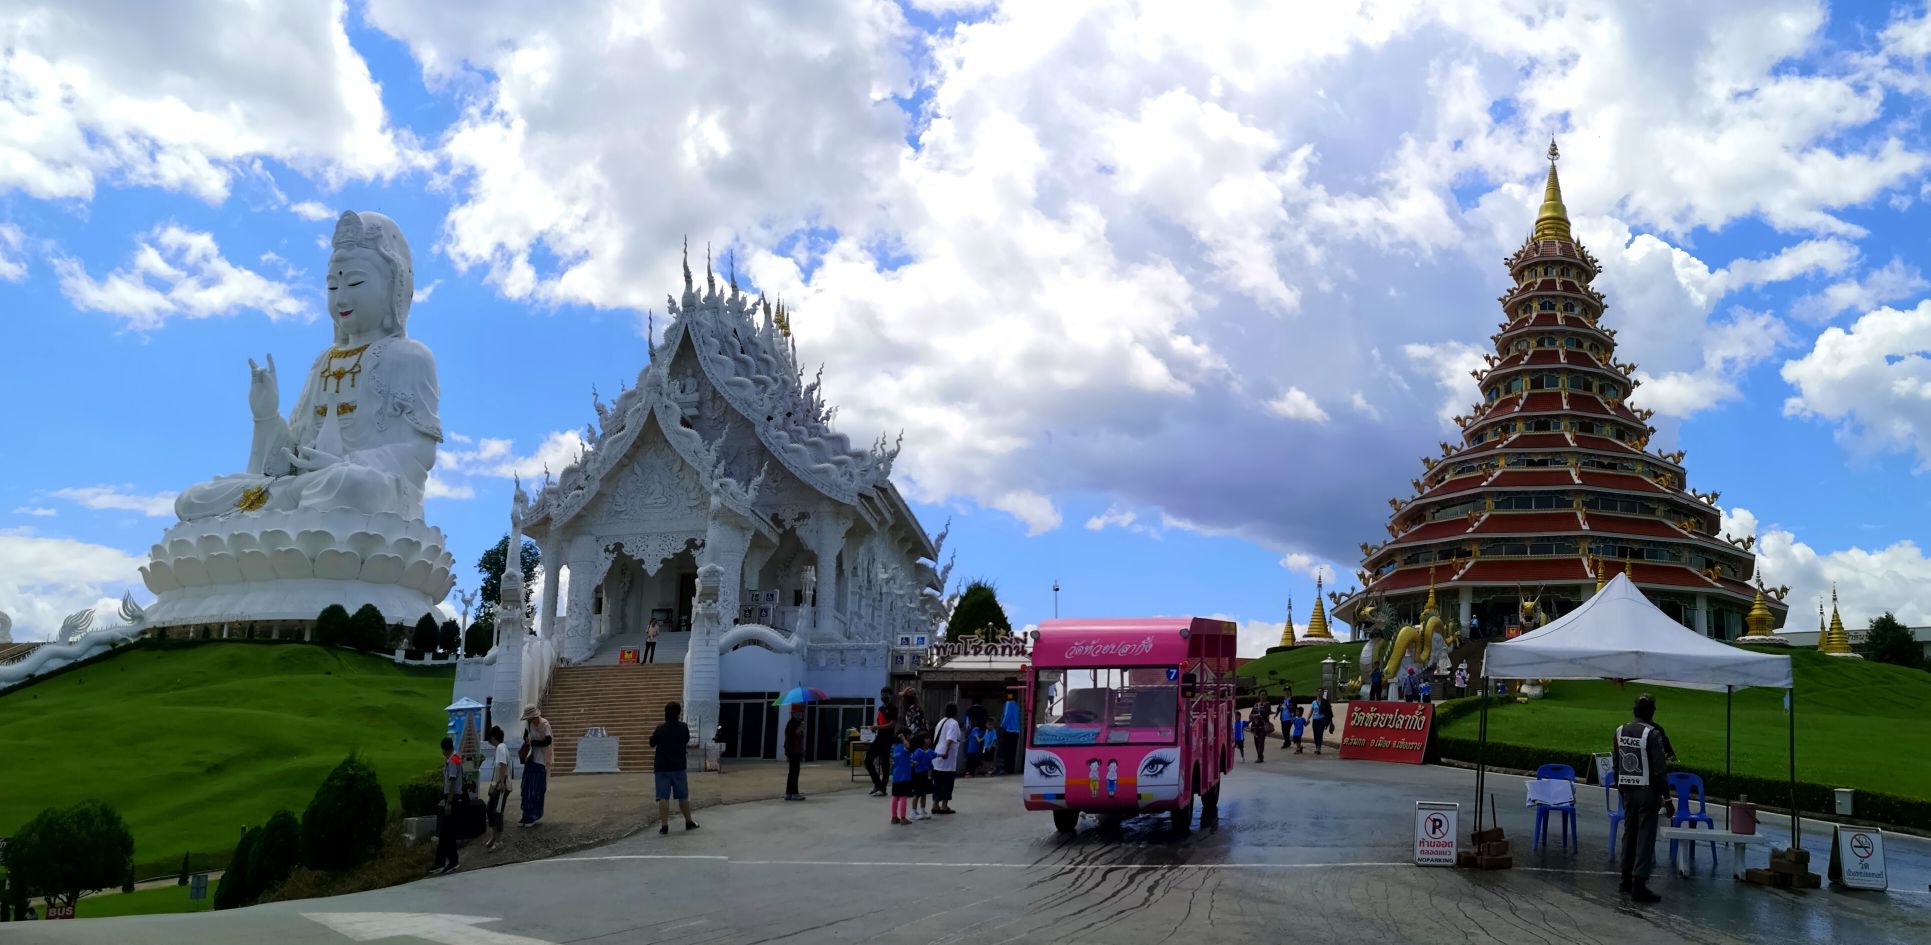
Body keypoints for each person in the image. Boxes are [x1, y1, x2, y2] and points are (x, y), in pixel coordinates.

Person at [1613, 694, 1671, 904]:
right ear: (1651, 713)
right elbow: (1659, 770)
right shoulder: (1652, 734)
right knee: (1645, 837)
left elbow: (1616, 763)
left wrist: (1621, 789)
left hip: (1626, 791)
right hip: (1647, 792)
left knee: (1629, 834)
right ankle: (1639, 884)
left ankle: (1625, 879)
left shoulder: (1620, 731)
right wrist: (1667, 798)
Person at [649, 701, 700, 834]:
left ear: (665, 713)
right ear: (678, 713)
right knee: (683, 796)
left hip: (662, 767)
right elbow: (686, 740)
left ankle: (664, 826)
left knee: (663, 797)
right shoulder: (683, 727)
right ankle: (688, 821)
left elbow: (652, 743)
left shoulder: (660, 728)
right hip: (679, 766)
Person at [430, 735, 462, 875]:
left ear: (444, 749)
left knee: (448, 832)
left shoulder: (453, 761)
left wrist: (448, 802)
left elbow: (452, 783)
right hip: (451, 797)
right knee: (445, 832)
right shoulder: (452, 759)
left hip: (453, 798)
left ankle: (453, 861)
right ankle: (441, 862)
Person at [517, 705, 552, 827]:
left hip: (540, 760)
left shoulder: (545, 724)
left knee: (536, 789)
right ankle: (526, 814)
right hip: (531, 759)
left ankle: (533, 815)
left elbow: (548, 741)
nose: (530, 720)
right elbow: (525, 737)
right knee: (526, 788)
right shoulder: (529, 725)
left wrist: (533, 743)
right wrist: (528, 741)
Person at [931, 703, 963, 815]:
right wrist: (946, 752)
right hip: (946, 759)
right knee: (947, 782)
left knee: (938, 782)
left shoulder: (941, 721)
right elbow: (949, 739)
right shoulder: (953, 723)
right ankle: (944, 806)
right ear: (955, 712)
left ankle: (935, 804)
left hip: (936, 757)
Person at [483, 725, 510, 851]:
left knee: (497, 812)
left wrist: (501, 783)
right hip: (498, 784)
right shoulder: (501, 747)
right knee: (490, 809)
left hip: (501, 786)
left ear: (493, 738)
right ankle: (494, 837)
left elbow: (503, 765)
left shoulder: (500, 748)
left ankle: (498, 840)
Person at [866, 706, 897, 795]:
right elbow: (878, 721)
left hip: (887, 739)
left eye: (886, 695)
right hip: (879, 738)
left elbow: (892, 724)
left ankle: (882, 787)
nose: (883, 697)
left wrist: (878, 727)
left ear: (890, 696)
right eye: (882, 695)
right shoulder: (880, 709)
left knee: (884, 763)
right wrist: (874, 728)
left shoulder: (893, 709)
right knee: (867, 760)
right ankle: (878, 784)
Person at [890, 727, 917, 824]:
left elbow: (900, 759)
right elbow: (908, 746)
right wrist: (903, 738)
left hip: (896, 776)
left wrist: (911, 762)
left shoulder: (895, 747)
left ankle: (894, 817)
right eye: (909, 736)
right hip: (904, 776)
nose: (909, 738)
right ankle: (903, 818)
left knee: (895, 797)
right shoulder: (903, 745)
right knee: (903, 797)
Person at [783, 704, 807, 801]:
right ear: (795, 713)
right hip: (793, 751)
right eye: (800, 712)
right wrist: (801, 728)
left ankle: (789, 793)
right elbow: (793, 735)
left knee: (792, 772)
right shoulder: (792, 723)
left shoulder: (795, 722)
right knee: (794, 772)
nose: (801, 714)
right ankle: (794, 793)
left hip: (793, 750)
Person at [998, 690, 1022, 775]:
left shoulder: (1009, 703)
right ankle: (1009, 769)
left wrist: (1002, 726)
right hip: (1015, 730)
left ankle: (1006, 769)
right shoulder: (1015, 704)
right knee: (1012, 751)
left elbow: (1007, 716)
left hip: (1009, 730)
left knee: (1007, 750)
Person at [1249, 698, 1272, 763]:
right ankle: (1260, 756)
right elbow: (1251, 714)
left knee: (1261, 742)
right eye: (1261, 695)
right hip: (1255, 727)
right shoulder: (1256, 705)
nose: (1263, 697)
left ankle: (1260, 757)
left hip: (1262, 727)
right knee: (1256, 742)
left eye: (1264, 695)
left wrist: (1259, 712)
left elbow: (1266, 713)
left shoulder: (1267, 704)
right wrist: (1252, 717)